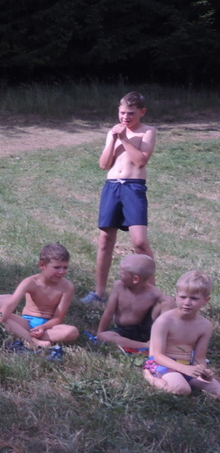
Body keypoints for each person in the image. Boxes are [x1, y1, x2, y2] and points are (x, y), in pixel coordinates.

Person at [84, 92, 156, 304]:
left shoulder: (147, 132)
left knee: (140, 242)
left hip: (133, 187)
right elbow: (104, 164)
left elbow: (140, 161)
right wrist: (114, 139)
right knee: (105, 240)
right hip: (112, 186)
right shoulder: (113, 132)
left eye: (131, 113)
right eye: (122, 112)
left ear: (142, 112)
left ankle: (153, 294)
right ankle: (99, 293)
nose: (125, 117)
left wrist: (124, 138)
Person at [143, 270, 220, 399]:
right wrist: (184, 369)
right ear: (176, 296)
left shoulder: (205, 325)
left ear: (206, 300)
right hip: (161, 364)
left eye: (194, 298)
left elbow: (200, 358)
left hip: (187, 365)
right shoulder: (164, 321)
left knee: (218, 391)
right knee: (182, 389)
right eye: (183, 297)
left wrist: (202, 370)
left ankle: (184, 378)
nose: (187, 302)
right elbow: (157, 355)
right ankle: (151, 378)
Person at [0, 243, 80, 356]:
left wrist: (43, 327)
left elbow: (58, 317)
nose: (62, 271)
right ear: (42, 265)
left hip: (49, 328)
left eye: (65, 267)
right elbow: (11, 304)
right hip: (27, 323)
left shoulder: (67, 287)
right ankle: (33, 340)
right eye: (57, 267)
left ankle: (22, 334)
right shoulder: (31, 282)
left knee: (72, 332)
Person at [92, 254, 164, 352]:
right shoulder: (119, 287)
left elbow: (163, 315)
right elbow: (109, 312)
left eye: (122, 272)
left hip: (145, 331)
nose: (119, 274)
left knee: (167, 301)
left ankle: (156, 342)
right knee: (104, 336)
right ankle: (145, 346)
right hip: (123, 331)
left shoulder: (154, 294)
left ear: (135, 279)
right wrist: (99, 333)